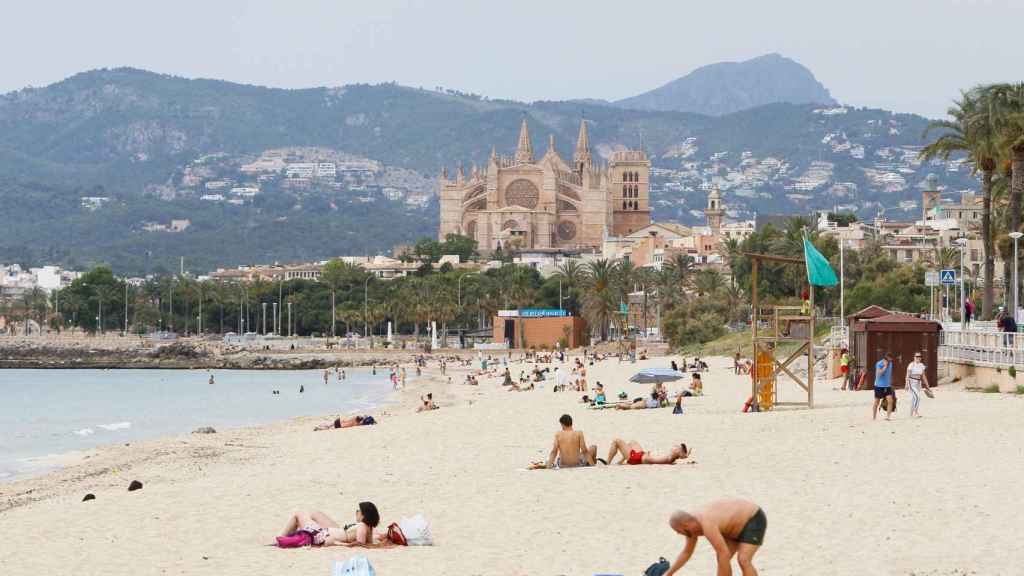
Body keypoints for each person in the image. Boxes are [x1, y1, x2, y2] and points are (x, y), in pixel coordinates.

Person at [664, 499, 766, 576]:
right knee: (722, 559)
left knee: (743, 559)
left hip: (752, 518)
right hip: (732, 527)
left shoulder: (706, 523)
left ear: (685, 525)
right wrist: (668, 574)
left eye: (677, 530)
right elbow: (686, 553)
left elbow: (723, 553)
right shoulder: (691, 528)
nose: (678, 533)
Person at [277, 502, 381, 547]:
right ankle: (284, 538)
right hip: (326, 534)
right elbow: (367, 543)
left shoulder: (362, 526)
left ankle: (280, 538)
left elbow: (360, 544)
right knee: (308, 514)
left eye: (359, 510)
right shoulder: (368, 527)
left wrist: (340, 544)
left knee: (298, 514)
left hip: (323, 536)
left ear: (364, 515)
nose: (356, 512)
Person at [604, 438, 690, 465]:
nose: (674, 447)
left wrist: (647, 456)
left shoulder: (669, 458)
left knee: (616, 441)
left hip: (637, 459)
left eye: (677, 448)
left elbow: (652, 461)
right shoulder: (671, 457)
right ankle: (621, 461)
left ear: (679, 452)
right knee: (632, 442)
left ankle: (607, 463)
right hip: (642, 455)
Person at [905, 352, 931, 418]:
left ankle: (911, 413)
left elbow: (923, 376)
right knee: (917, 397)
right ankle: (916, 412)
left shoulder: (921, 365)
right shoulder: (911, 365)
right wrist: (906, 384)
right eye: (917, 356)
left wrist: (928, 386)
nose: (918, 358)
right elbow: (907, 375)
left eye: (919, 356)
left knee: (914, 398)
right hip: (912, 382)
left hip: (918, 383)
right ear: (914, 357)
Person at [873, 352, 895, 421]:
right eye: (890, 359)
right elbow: (879, 374)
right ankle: (874, 417)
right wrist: (885, 366)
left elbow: (889, 374)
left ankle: (888, 417)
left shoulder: (891, 364)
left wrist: (890, 383)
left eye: (891, 359)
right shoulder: (879, 363)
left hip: (887, 386)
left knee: (890, 401)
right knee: (877, 402)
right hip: (879, 386)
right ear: (886, 358)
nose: (891, 360)